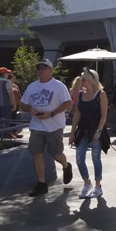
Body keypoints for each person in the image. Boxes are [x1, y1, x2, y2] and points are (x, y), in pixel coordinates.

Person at [20, 58, 73, 197]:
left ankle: (66, 165)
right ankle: (42, 183)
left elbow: (68, 103)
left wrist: (52, 113)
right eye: (39, 68)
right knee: (37, 153)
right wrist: (29, 109)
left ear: (50, 70)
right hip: (37, 126)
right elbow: (23, 104)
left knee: (55, 153)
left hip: (54, 126)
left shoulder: (58, 86)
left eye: (44, 68)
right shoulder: (32, 86)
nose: (41, 70)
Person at [69, 67, 109, 199]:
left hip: (95, 129)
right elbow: (77, 113)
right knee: (79, 158)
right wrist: (72, 132)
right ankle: (87, 183)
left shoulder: (101, 94)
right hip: (82, 129)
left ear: (91, 80)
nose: (81, 81)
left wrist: (99, 131)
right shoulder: (81, 94)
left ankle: (98, 186)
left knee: (96, 158)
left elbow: (104, 115)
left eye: (83, 79)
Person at [0, 67, 17, 136]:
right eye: (7, 73)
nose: (8, 74)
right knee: (6, 122)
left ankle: (0, 138)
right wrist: (14, 104)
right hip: (5, 105)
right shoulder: (7, 82)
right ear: (4, 74)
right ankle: (6, 138)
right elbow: (11, 95)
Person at [7, 73, 23, 138]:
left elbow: (19, 94)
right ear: (9, 79)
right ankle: (10, 133)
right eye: (13, 78)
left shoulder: (15, 86)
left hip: (16, 104)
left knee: (14, 118)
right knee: (10, 118)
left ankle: (15, 132)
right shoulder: (7, 86)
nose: (14, 80)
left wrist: (20, 102)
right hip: (10, 105)